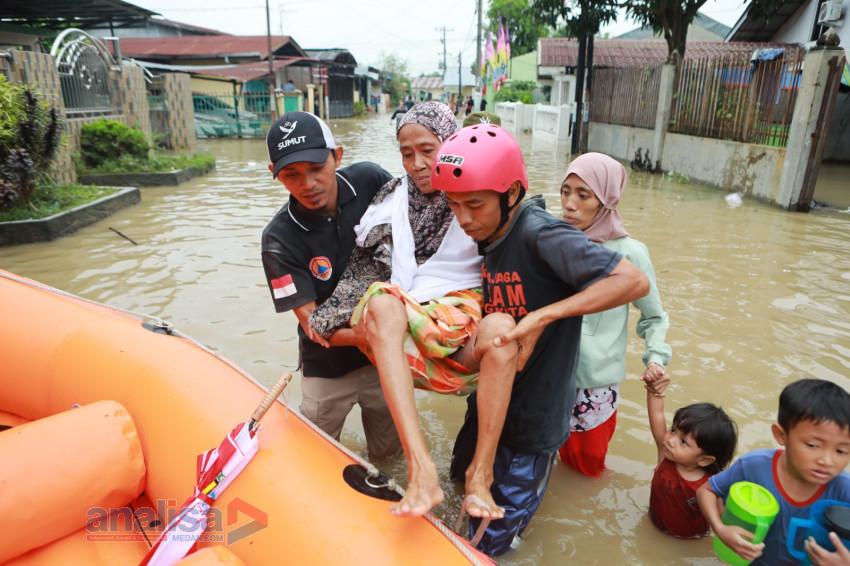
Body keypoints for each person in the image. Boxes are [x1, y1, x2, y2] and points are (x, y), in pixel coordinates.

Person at [433, 124, 650, 556]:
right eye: (453, 205)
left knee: (487, 544)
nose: (463, 219)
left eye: (474, 204)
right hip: (488, 410)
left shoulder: (542, 233)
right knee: (457, 495)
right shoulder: (488, 235)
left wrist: (543, 315)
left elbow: (633, 281)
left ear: (511, 193)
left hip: (532, 426)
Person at [309, 102, 517, 525]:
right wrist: (338, 322)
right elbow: (360, 276)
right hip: (406, 332)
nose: (419, 164)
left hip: (462, 329)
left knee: (502, 329)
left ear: (452, 144)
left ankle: (481, 476)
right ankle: (422, 471)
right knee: (382, 302)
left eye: (429, 150)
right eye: (407, 154)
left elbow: (517, 265)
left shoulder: (487, 194)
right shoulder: (390, 199)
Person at [260, 111, 401, 460]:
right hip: (327, 368)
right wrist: (378, 333)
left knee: (391, 456)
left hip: (383, 363)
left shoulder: (371, 181)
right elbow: (310, 321)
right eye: (292, 175)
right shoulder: (278, 238)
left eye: (316, 168)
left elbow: (414, 231)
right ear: (274, 175)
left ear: (337, 155)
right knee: (315, 460)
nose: (307, 183)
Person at [556, 152, 673, 477]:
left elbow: (654, 317)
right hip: (548, 376)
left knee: (587, 467)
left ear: (606, 199)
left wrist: (655, 359)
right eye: (566, 191)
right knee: (541, 459)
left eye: (583, 195)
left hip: (594, 384)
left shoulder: (630, 254)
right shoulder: (552, 239)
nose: (569, 204)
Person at [697, 378, 850, 565]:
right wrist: (720, 529)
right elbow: (707, 490)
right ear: (781, 435)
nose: (827, 461)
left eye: (841, 451)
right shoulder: (754, 466)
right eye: (813, 445)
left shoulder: (844, 490)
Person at [646, 386, 737, 538]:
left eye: (683, 441)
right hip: (654, 524)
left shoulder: (712, 487)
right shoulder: (666, 456)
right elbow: (657, 414)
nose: (671, 440)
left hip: (689, 540)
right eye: (673, 430)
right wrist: (654, 387)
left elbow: (722, 522)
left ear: (704, 460)